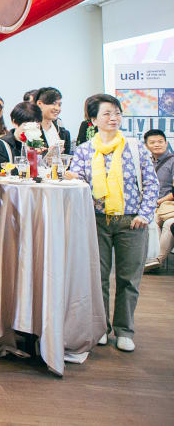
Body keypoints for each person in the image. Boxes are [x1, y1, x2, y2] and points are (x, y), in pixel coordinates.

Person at [65, 94, 159, 352]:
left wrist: (144, 214)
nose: (113, 118)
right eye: (106, 113)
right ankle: (102, 327)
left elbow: (152, 184)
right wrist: (73, 176)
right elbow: (80, 184)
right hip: (97, 221)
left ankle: (125, 329)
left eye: (116, 113)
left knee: (129, 279)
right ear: (93, 120)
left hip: (132, 222)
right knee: (99, 279)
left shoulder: (135, 147)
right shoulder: (85, 150)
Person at [143, 129, 174, 271]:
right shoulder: (147, 163)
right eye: (152, 142)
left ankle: (157, 260)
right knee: (150, 221)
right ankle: (150, 259)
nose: (157, 144)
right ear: (146, 145)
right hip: (154, 207)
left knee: (168, 223)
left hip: (168, 205)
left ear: (166, 143)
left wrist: (158, 202)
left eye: (160, 141)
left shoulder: (173, 161)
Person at [0, 102, 42, 173]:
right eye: (27, 125)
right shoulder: (2, 144)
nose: (32, 130)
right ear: (15, 122)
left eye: (37, 125)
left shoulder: (37, 143)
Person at [36, 87, 71, 154]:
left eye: (59, 105)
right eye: (53, 104)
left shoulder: (63, 133)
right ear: (39, 103)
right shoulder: (31, 131)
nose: (57, 108)